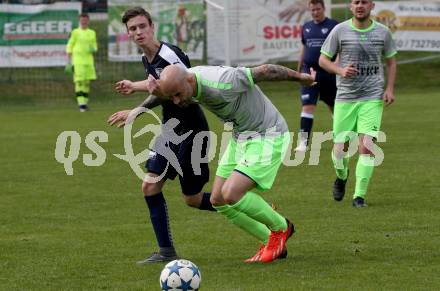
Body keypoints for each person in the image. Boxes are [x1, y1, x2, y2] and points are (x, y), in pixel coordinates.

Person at [149, 63, 316, 263]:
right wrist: (136, 99)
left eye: (177, 94)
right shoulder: (183, 83)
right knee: (218, 200)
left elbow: (266, 71)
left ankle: (281, 227)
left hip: (268, 135)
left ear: (190, 80)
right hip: (241, 137)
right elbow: (161, 90)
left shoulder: (223, 81)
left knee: (231, 194)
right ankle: (269, 241)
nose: (176, 101)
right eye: (171, 97)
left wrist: (301, 78)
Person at [107, 7, 215, 264]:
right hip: (170, 129)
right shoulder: (148, 58)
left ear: (152, 26)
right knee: (149, 185)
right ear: (128, 33)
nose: (138, 32)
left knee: (194, 199)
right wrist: (137, 97)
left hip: (191, 130)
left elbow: (178, 87)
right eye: (133, 29)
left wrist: (136, 99)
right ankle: (166, 251)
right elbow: (158, 87)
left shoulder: (170, 55)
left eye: (142, 26)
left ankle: (247, 204)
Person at [319, 0, 397, 207]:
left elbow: (391, 60)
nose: (360, 5)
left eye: (364, 2)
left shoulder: (383, 32)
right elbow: (323, 60)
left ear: (371, 5)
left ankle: (359, 196)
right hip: (345, 97)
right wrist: (340, 70)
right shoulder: (339, 30)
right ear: (351, 7)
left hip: (372, 97)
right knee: (339, 150)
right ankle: (341, 176)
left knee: (367, 147)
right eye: (356, 2)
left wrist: (389, 89)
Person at [295, 0, 338, 152]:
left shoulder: (334, 25)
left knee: (335, 107)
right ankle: (303, 143)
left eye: (318, 9)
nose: (315, 12)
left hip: (328, 73)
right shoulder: (306, 27)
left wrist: (336, 65)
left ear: (324, 8)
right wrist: (299, 70)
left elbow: (341, 47)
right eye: (312, 10)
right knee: (307, 106)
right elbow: (304, 48)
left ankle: (340, 138)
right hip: (309, 73)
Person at [66, 13, 97, 112]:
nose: (84, 22)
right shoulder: (75, 32)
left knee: (86, 83)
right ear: (79, 21)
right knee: (79, 82)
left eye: (85, 20)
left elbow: (95, 47)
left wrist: (93, 48)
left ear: (88, 21)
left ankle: (85, 103)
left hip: (88, 62)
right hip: (78, 62)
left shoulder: (92, 32)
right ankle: (81, 105)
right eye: (82, 20)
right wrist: (69, 62)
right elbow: (70, 46)